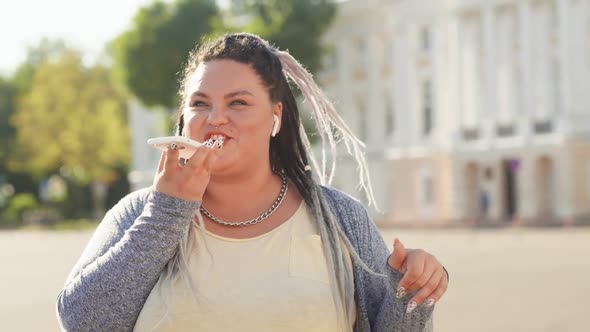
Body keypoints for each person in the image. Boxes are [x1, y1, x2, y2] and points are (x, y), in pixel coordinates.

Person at [56, 33, 448, 332]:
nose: (215, 118)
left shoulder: (339, 219)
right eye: (199, 103)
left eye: (238, 103)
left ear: (275, 117)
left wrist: (413, 289)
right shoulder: (140, 213)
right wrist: (165, 216)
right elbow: (83, 322)